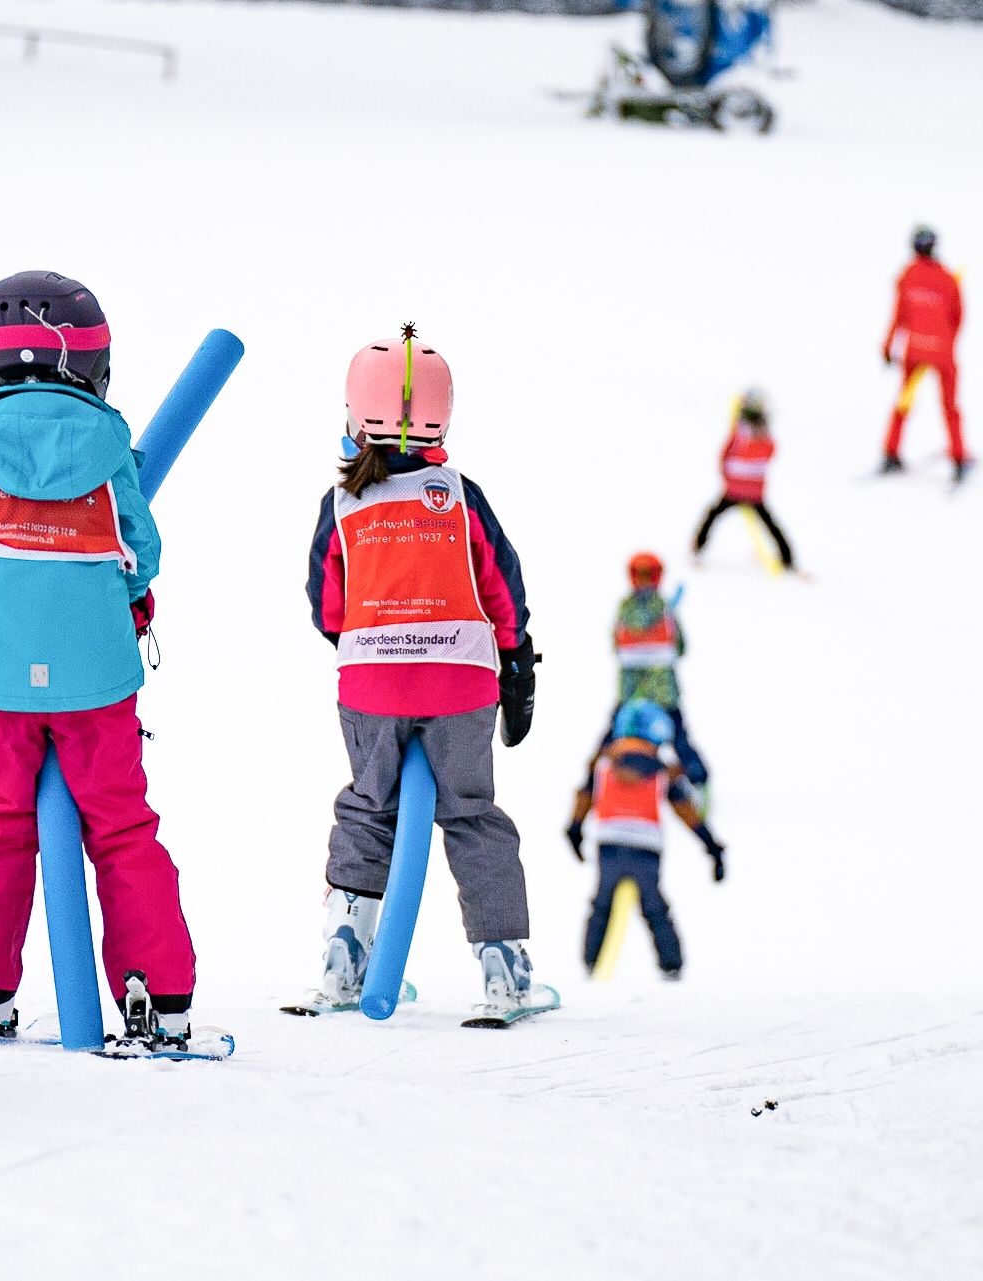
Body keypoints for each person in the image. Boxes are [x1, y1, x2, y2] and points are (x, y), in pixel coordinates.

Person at [0, 270, 200, 1052]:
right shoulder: (111, 448)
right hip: (94, 681)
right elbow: (140, 554)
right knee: (118, 824)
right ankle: (158, 993)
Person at [299, 325, 546, 1015]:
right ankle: (503, 969)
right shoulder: (460, 496)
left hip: (372, 686)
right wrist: (516, 660)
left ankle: (344, 956)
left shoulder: (343, 503)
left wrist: (374, 646)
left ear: (354, 414)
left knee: (367, 809)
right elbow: (502, 588)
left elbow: (327, 604)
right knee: (470, 815)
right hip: (461, 682)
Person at [566, 699, 726, 979]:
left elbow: (584, 797)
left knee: (601, 905)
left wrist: (575, 830)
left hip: (610, 844)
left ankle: (591, 965)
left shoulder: (604, 762)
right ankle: (671, 967)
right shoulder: (664, 769)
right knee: (655, 908)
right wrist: (711, 846)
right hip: (646, 848)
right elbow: (686, 812)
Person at [612, 552, 708, 787]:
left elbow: (615, 644)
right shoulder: (665, 608)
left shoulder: (625, 609)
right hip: (663, 693)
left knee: (614, 739)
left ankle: (593, 792)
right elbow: (681, 646)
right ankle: (699, 782)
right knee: (679, 740)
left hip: (631, 693)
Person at [881, 225, 968, 482]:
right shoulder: (947, 278)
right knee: (950, 406)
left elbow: (898, 317)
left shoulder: (907, 276)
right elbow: (958, 317)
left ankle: (891, 450)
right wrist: (946, 343)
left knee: (903, 403)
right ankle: (958, 456)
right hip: (941, 352)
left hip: (915, 351)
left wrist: (887, 346)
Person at [691, 389, 795, 573]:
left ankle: (697, 548)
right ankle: (788, 559)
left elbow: (725, 456)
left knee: (712, 517)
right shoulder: (761, 433)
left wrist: (727, 474)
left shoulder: (744, 433)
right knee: (769, 524)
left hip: (737, 490)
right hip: (750, 491)